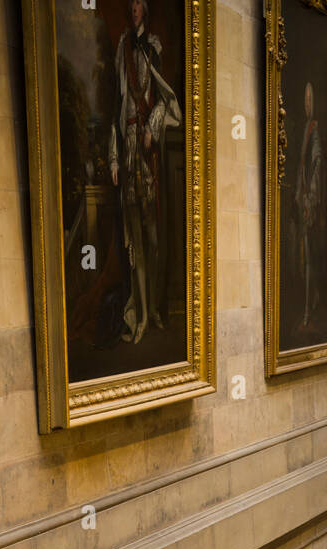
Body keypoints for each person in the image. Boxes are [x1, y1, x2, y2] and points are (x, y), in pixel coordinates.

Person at [109, 0, 181, 345]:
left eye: (140, 2)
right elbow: (115, 109)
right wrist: (113, 159)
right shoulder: (122, 48)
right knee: (135, 242)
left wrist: (153, 125)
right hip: (129, 150)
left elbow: (166, 100)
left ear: (146, 9)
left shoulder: (152, 46)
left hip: (150, 152)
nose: (135, 6)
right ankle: (137, 317)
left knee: (152, 240)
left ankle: (153, 310)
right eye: (131, 2)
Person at [294, 82, 322, 330]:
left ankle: (309, 303)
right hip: (301, 196)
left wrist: (310, 198)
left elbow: (316, 164)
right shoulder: (304, 129)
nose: (307, 104)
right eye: (304, 100)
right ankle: (310, 298)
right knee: (301, 258)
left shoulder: (314, 130)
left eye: (309, 100)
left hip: (308, 201)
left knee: (308, 257)